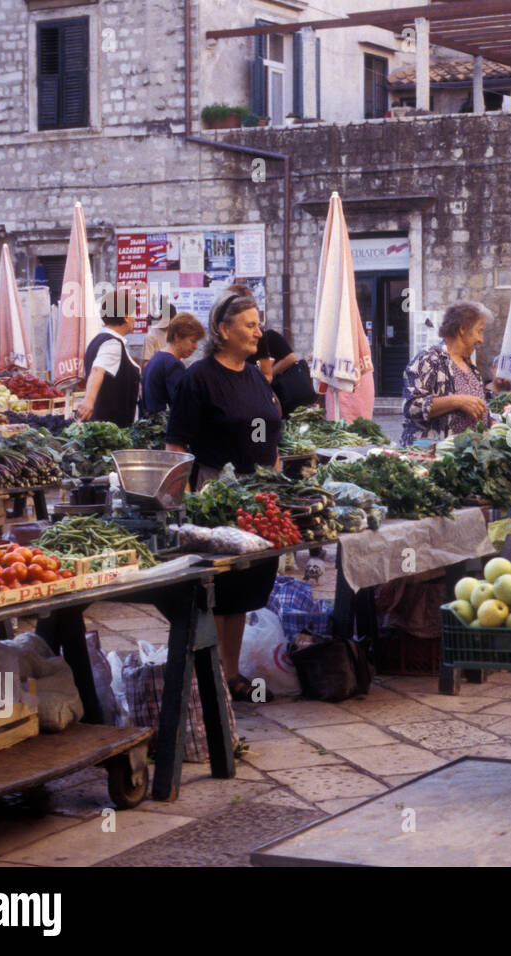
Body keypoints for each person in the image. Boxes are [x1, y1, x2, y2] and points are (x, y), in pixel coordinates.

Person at [165, 288, 283, 703]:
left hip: (260, 494)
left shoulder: (254, 375)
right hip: (216, 495)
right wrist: (186, 501)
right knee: (220, 589)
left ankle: (230, 674)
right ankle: (210, 677)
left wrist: (276, 475)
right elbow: (176, 445)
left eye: (258, 324)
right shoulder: (198, 378)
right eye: (250, 325)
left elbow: (271, 431)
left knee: (246, 588)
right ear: (223, 329)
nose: (258, 332)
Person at [400, 301, 492, 445]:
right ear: (462, 329)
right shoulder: (429, 358)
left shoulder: (469, 365)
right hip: (433, 457)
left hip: (465, 458)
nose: (481, 340)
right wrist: (457, 401)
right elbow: (411, 407)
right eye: (479, 331)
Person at [76, 289, 140, 426]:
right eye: (134, 314)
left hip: (104, 424)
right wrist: (88, 400)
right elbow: (98, 370)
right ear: (125, 316)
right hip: (112, 426)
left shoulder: (98, 340)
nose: (136, 318)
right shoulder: (113, 343)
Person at [140, 312, 204, 416]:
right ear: (177, 337)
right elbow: (183, 406)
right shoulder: (174, 365)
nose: (196, 347)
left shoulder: (157, 357)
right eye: (193, 341)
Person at [141, 301, 177, 365]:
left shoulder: (175, 333)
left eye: (172, 322)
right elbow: (146, 363)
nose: (169, 325)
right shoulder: (151, 336)